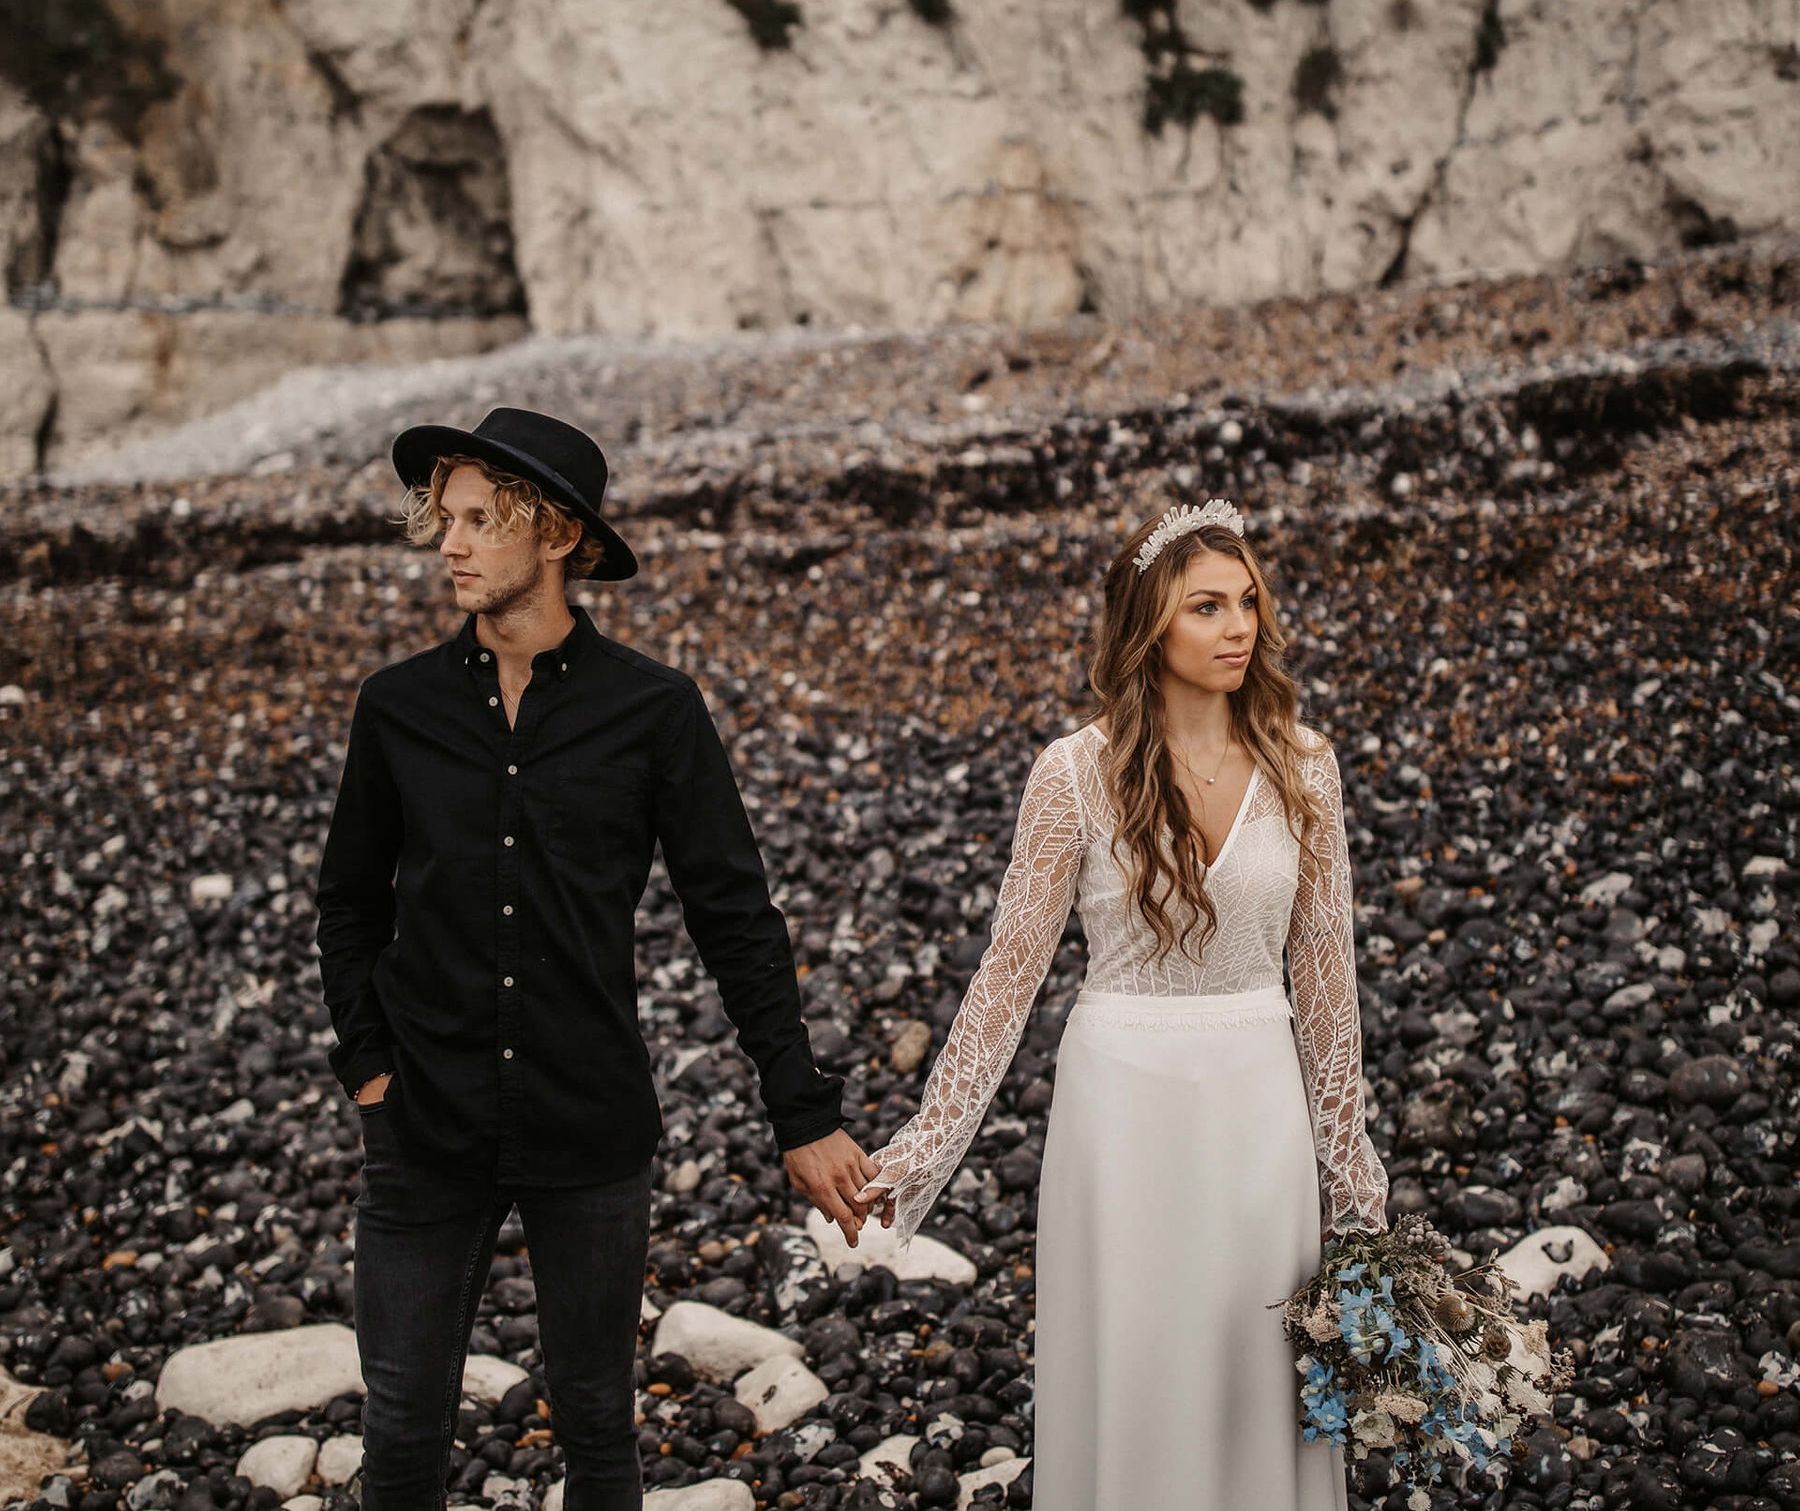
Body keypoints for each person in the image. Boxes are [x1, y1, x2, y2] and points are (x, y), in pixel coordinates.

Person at [313, 405, 882, 1511]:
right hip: (423, 1122)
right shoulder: (397, 709)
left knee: (595, 1424)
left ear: (559, 534)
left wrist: (802, 1114)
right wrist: (369, 1068)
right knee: (402, 1423)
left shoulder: (654, 712)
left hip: (590, 1123)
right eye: (446, 519)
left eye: (481, 520)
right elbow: (348, 902)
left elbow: (734, 915)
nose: (450, 544)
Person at [854, 499, 1390, 1511]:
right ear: (1148, 624)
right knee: (1139, 1358)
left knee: (1257, 1364)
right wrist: (923, 1149)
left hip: (1258, 1099)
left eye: (1248, 603)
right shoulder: (1072, 774)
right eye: (1206, 607)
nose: (1239, 628)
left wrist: (1349, 1163)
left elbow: (1327, 976)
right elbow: (1008, 974)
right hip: (1122, 1105)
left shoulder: (1305, 763)